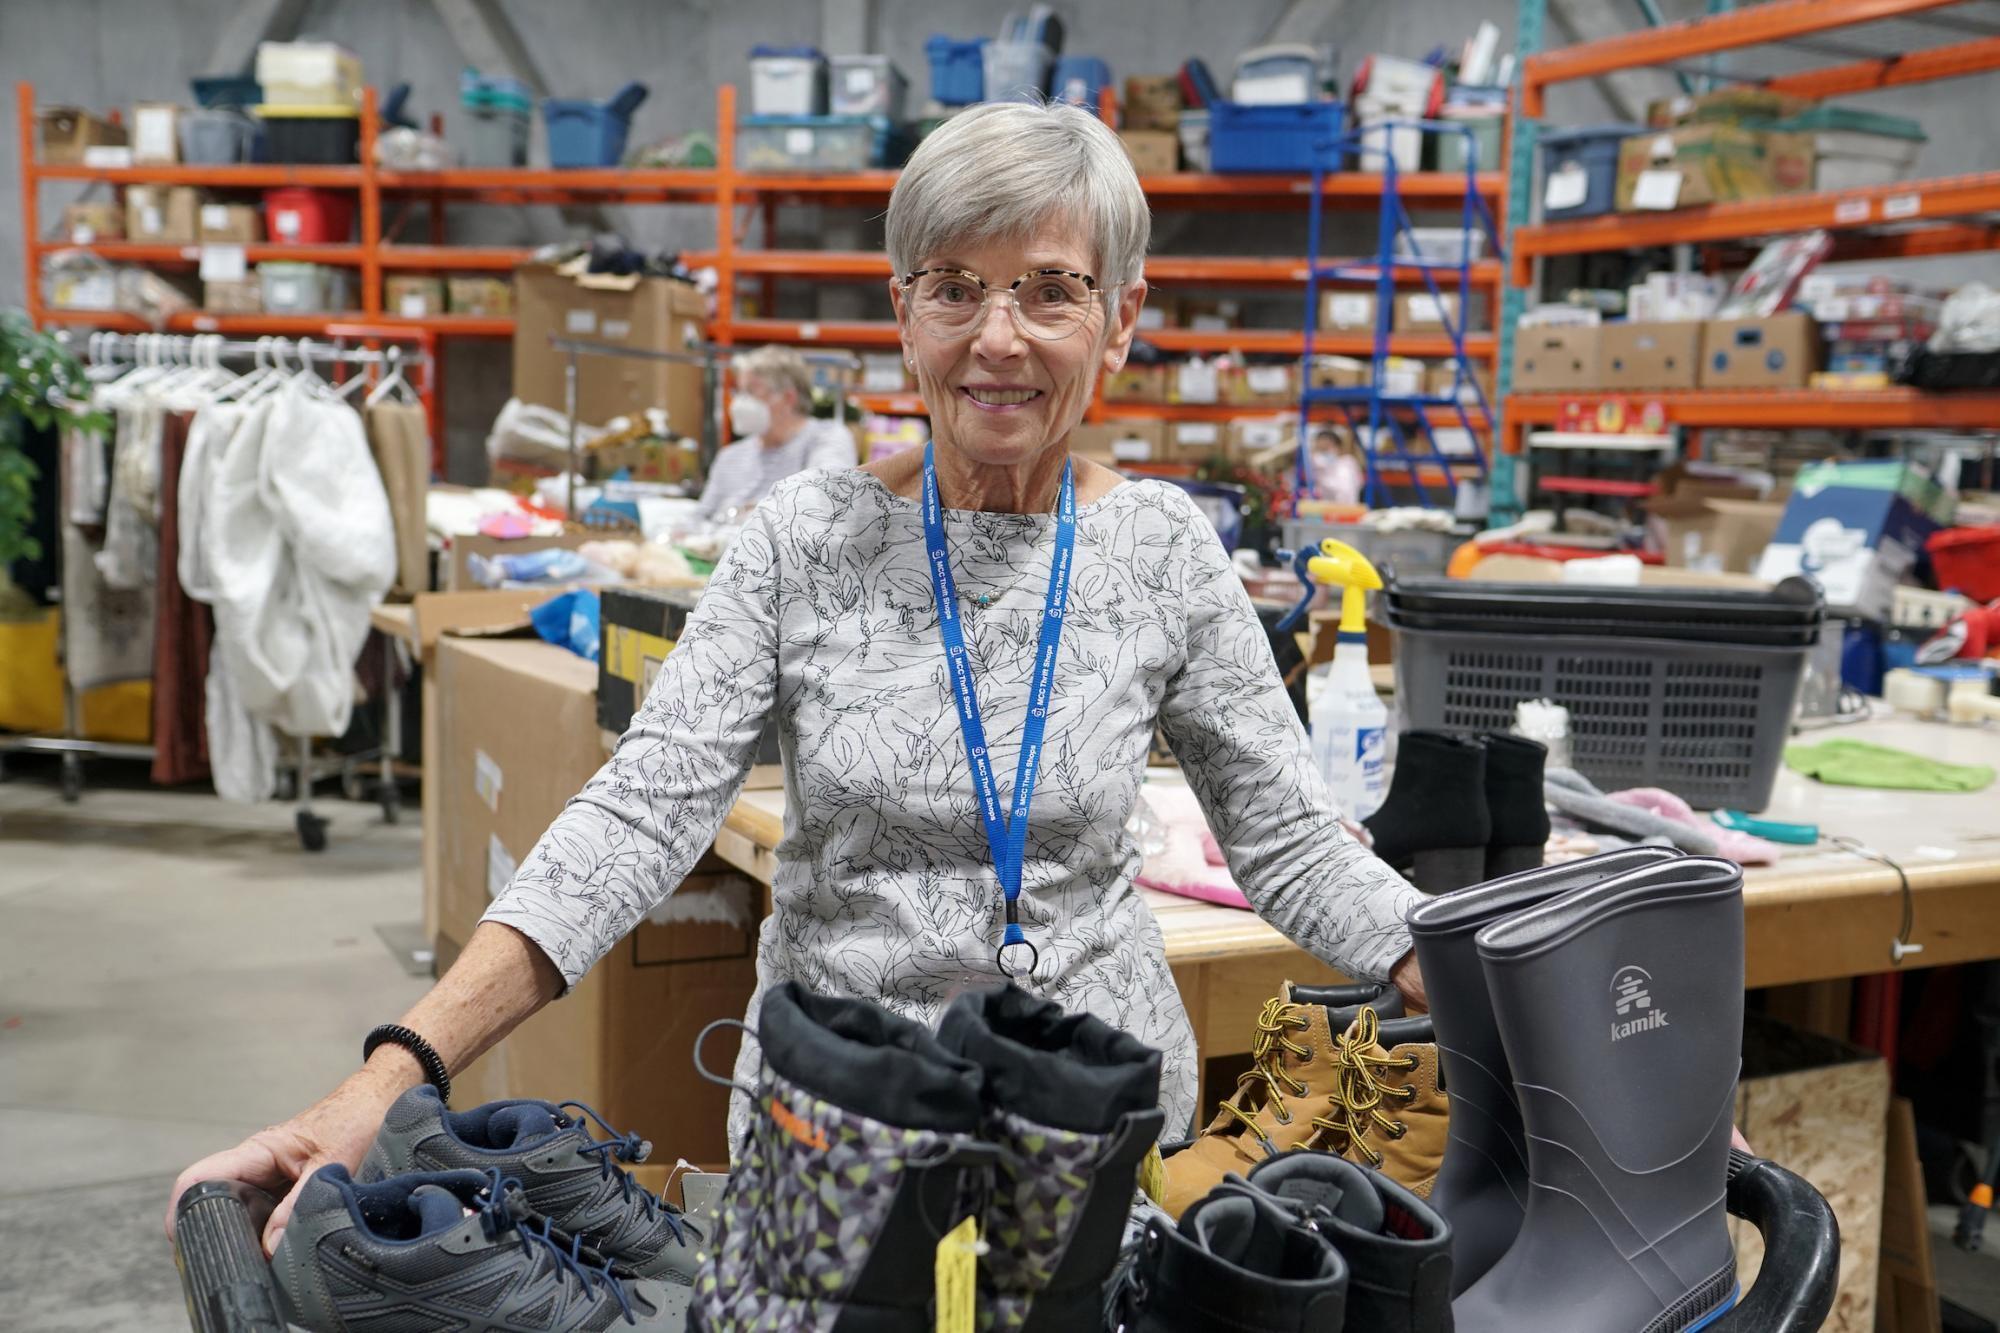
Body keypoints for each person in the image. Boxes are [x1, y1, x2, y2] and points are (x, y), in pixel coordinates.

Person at [167, 98, 1428, 1253]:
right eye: (954, 288)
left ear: (1122, 316)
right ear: (901, 312)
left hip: (1087, 1130)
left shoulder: (1164, 550)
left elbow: (1291, 845)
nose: (997, 337)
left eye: (1049, 289)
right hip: (835, 1137)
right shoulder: (802, 539)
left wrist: (1493, 989)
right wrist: (390, 1075)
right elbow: (636, 813)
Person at [695, 344, 857, 519]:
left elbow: (826, 499)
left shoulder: (825, 438)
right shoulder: (730, 457)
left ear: (788, 398)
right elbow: (698, 517)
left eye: (752, 391)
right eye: (739, 391)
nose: (740, 402)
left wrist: (749, 514)